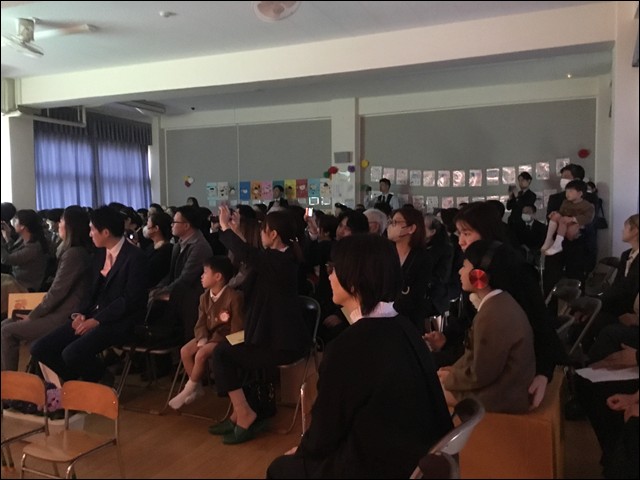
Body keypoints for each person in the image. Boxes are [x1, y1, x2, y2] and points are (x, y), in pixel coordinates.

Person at [266, 234, 453, 478]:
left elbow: (326, 428)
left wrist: (302, 453)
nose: (329, 276)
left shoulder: (349, 346)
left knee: (279, 469)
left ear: (353, 282)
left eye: (334, 270)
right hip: (418, 456)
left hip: (379, 464)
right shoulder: (405, 327)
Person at [425, 201, 565, 409]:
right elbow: (466, 320)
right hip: (478, 354)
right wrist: (446, 338)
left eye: (467, 233)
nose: (461, 241)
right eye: (459, 234)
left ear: (486, 231)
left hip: (503, 367)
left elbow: (540, 323)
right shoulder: (474, 266)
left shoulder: (514, 270)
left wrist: (544, 373)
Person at [209, 207, 310, 445]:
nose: (261, 234)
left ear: (273, 234)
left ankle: (244, 413)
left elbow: (251, 255)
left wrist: (225, 228)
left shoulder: (282, 261)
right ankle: (238, 414)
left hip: (280, 343)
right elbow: (251, 256)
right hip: (263, 335)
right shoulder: (278, 257)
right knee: (224, 349)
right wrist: (235, 231)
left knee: (223, 354)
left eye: (263, 230)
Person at [30, 206, 149, 383]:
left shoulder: (135, 257)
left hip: (121, 320)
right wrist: (80, 314)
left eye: (93, 229)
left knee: (72, 352)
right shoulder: (99, 253)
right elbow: (90, 291)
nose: (90, 234)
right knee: (40, 348)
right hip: (93, 314)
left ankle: (102, 380)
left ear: (106, 232)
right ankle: (78, 380)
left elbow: (130, 300)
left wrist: (97, 320)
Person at [438, 240, 535, 413]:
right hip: (505, 386)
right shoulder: (500, 302)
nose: (459, 271)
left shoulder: (492, 315)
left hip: (501, 395)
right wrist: (454, 371)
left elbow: (481, 373)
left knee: (429, 391)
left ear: (478, 276)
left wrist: (451, 378)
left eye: (464, 266)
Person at [1, 206, 93, 371]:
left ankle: (9, 383)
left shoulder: (74, 255)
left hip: (63, 314)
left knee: (7, 331)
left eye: (61, 221)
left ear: (71, 226)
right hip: (56, 308)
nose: (58, 225)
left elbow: (57, 292)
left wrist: (33, 315)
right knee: (5, 324)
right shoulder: (72, 252)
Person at [168, 256, 244, 410]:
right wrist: (201, 338)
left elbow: (238, 328)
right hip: (208, 335)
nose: (202, 276)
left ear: (218, 276)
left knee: (201, 354)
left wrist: (230, 343)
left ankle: (189, 388)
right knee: (185, 351)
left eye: (205, 272)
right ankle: (197, 387)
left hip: (224, 337)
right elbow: (200, 323)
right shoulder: (204, 297)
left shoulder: (234, 297)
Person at [388, 206, 431, 331]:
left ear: (411, 228)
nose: (391, 226)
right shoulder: (386, 252)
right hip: (384, 315)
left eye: (396, 222)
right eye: (390, 222)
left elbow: (417, 294)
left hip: (409, 318)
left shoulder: (422, 257)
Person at [542, 179, 594, 256]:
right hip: (563, 222)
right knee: (556, 216)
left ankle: (557, 245)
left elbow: (588, 218)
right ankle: (549, 240)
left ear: (580, 193)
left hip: (575, 225)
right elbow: (561, 212)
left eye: (571, 191)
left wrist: (572, 219)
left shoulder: (587, 206)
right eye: (566, 191)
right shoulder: (565, 202)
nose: (567, 194)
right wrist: (555, 213)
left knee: (565, 222)